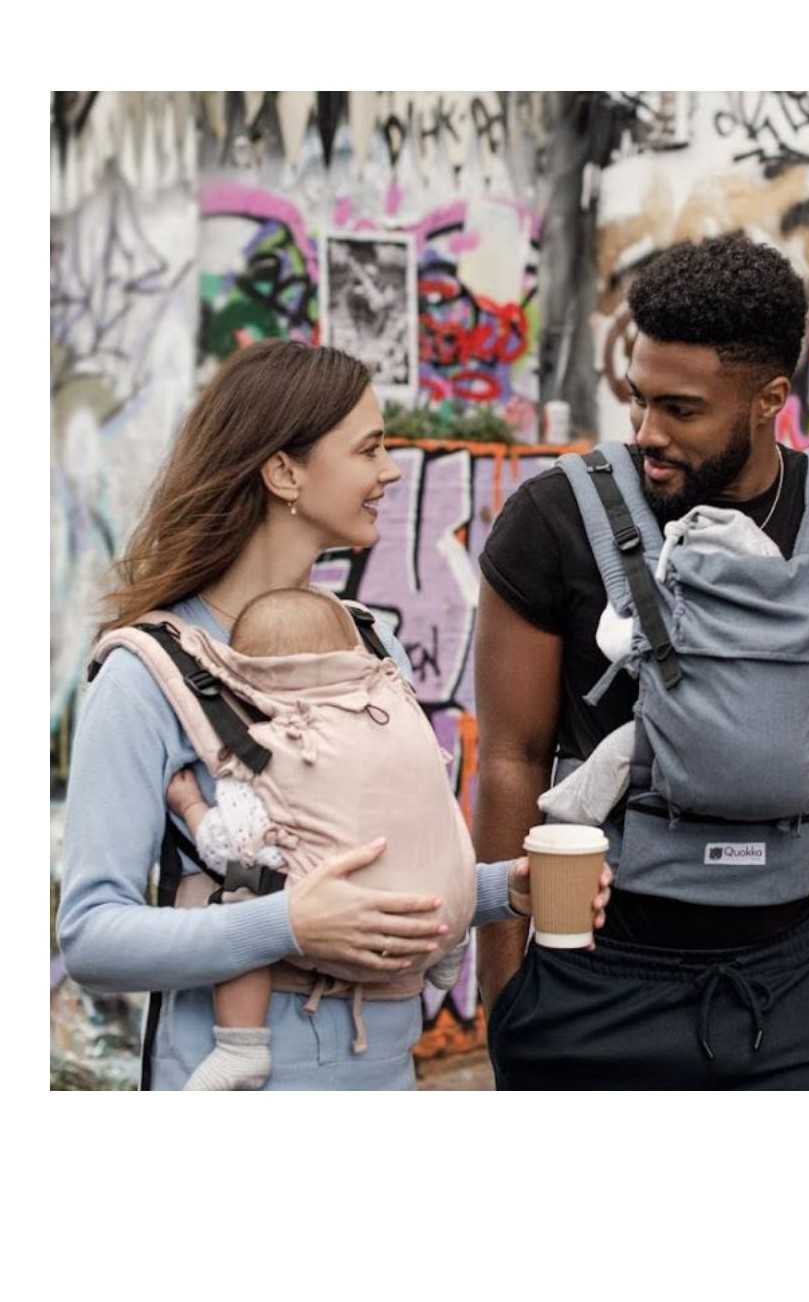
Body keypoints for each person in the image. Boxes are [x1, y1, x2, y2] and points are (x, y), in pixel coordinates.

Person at [57, 338, 611, 1091]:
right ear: (284, 471)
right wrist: (285, 926)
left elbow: (375, 872)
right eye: (369, 449)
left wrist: (499, 890)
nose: (391, 472)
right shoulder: (145, 673)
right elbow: (91, 936)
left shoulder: (366, 640)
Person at [475, 234, 809, 1090]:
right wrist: (508, 996)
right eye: (638, 401)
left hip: (797, 985)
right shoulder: (554, 521)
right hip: (593, 972)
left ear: (769, 399)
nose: (648, 434)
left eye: (680, 410)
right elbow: (511, 759)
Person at [161, 586, 475, 1091]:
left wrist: (191, 807)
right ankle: (450, 950)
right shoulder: (400, 718)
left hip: (346, 935)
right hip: (440, 915)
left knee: (237, 898)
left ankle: (240, 1047)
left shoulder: (264, 749)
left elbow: (229, 843)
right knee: (435, 823)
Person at [536, 507, 809, 846]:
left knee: (624, 748)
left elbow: (610, 640)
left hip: (682, 746)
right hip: (796, 757)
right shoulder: (800, 612)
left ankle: (571, 807)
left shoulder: (677, 608)